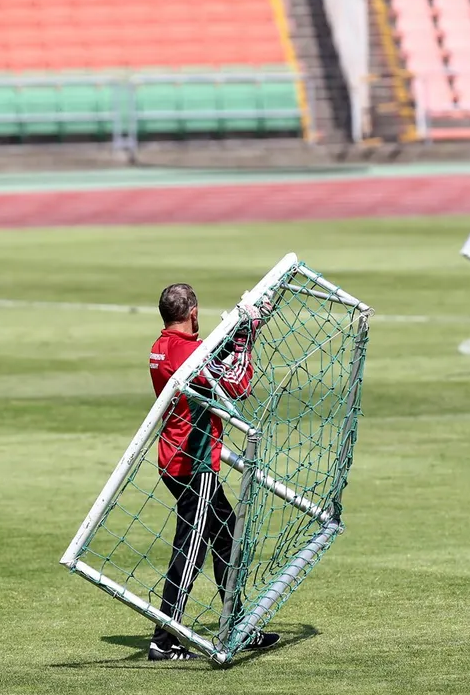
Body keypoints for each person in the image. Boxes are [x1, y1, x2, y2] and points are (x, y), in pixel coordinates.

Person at [146, 283, 280, 661]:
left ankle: (238, 625)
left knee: (224, 536)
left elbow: (206, 362)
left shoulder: (162, 346)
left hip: (177, 457)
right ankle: (163, 639)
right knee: (190, 549)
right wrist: (247, 334)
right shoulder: (187, 351)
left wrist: (238, 332)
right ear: (194, 312)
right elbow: (236, 384)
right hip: (194, 462)